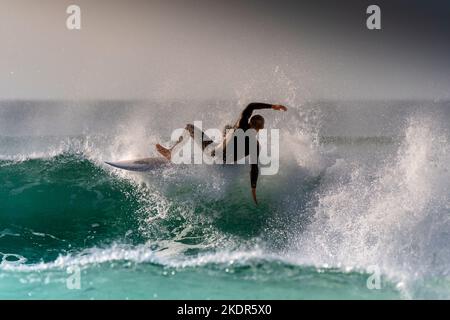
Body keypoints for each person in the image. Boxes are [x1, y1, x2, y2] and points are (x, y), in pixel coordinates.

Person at [156, 103, 287, 204]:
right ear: (261, 128)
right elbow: (254, 168)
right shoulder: (255, 145)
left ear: (250, 122)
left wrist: (272, 106)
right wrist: (253, 189)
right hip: (224, 159)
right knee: (227, 127)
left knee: (190, 127)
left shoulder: (241, 124)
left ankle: (170, 152)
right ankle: (224, 141)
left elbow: (251, 105)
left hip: (213, 154)